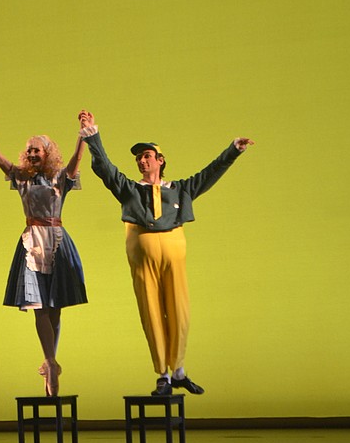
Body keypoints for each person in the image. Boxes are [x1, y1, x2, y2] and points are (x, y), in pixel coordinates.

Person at [78, 109, 254, 396]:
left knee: (179, 312)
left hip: (173, 256)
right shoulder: (131, 190)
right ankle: (163, 374)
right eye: (138, 157)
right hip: (143, 258)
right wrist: (92, 135)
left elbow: (209, 174)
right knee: (151, 312)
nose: (141, 160)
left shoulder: (180, 189)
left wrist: (232, 151)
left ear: (160, 160)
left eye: (147, 155)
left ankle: (179, 370)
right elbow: (105, 168)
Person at [0, 110, 89, 397]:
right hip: (32, 243)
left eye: (36, 149)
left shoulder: (59, 179)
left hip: (56, 240)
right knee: (39, 305)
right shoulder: (22, 178)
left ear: (47, 152)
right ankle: (51, 362)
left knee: (55, 306)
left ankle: (50, 362)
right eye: (29, 150)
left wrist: (83, 134)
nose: (31, 153)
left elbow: (77, 162)